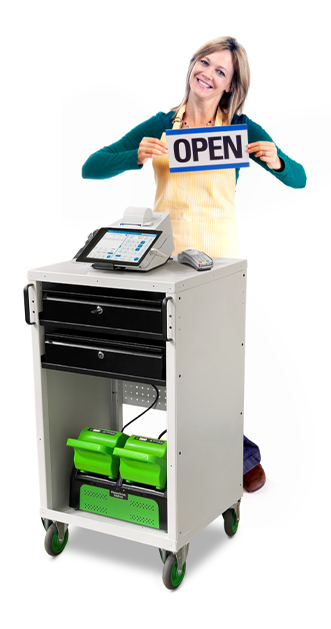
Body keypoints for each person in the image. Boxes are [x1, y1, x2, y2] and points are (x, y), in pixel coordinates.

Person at [82, 36, 306, 492]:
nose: (208, 73)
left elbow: (299, 178)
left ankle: (238, 453)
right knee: (167, 360)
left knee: (213, 363)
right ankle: (187, 452)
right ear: (193, 65)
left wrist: (277, 160)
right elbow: (92, 166)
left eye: (221, 71)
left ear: (230, 87)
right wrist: (135, 155)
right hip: (163, 258)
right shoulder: (164, 124)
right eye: (204, 62)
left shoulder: (240, 128)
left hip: (218, 260)